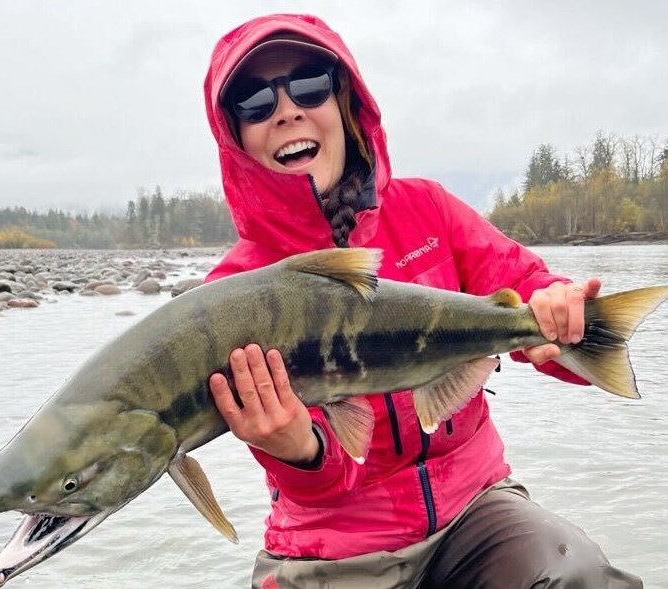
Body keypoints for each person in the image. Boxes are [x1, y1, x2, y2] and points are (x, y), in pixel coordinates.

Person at [202, 13, 642, 589]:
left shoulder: (428, 210)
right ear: (234, 135)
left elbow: (523, 282)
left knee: (578, 575)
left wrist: (562, 314)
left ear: (342, 101)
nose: (285, 110)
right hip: (332, 547)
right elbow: (326, 481)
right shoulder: (231, 296)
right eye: (254, 102)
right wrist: (296, 451)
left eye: (309, 84)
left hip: (476, 514)